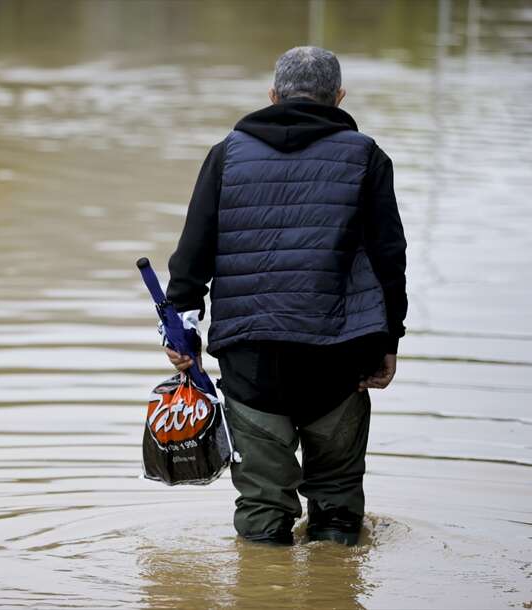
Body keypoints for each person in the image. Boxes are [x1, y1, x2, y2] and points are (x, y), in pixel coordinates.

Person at [164, 46, 407, 546]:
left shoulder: (226, 154)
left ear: (272, 95)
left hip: (251, 357)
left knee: (261, 508)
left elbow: (193, 252)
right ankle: (332, 582)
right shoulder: (366, 156)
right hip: (340, 357)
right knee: (337, 501)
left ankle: (261, 588)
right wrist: (390, 341)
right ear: (338, 98)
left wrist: (182, 328)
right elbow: (389, 258)